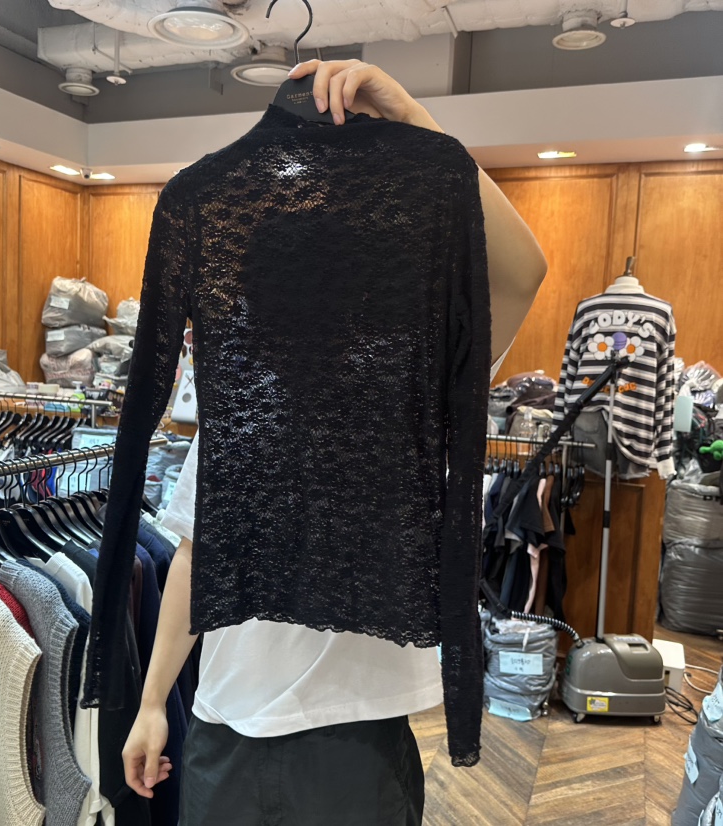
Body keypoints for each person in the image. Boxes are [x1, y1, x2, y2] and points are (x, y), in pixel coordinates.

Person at [121, 59, 548, 825]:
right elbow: (192, 553)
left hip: (353, 741)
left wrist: (413, 118)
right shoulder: (243, 402)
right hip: (221, 726)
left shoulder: (410, 386)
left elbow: (521, 272)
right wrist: (154, 703)